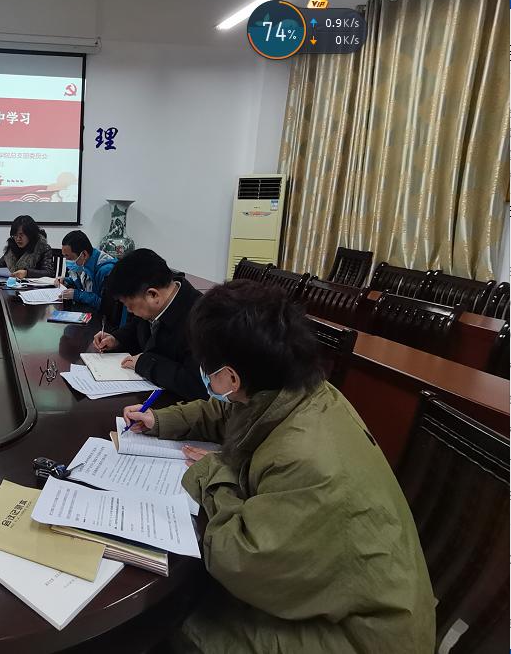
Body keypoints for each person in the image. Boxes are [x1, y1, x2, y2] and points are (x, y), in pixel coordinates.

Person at [122, 280, 435, 653]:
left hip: (360, 636)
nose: (203, 374)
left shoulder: (303, 458)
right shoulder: (295, 388)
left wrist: (214, 474)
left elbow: (238, 560)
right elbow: (231, 412)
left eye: (206, 366)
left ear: (231, 377)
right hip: (349, 595)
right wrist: (161, 420)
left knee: (175, 615)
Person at [93, 248, 206, 402]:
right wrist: (116, 339)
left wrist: (145, 363)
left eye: (129, 305)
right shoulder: (155, 305)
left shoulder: (201, 320)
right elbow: (137, 327)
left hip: (177, 406)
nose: (129, 310)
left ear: (152, 295)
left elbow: (196, 384)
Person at [55, 230, 115, 310]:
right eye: (65, 256)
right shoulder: (84, 262)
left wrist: (77, 295)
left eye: (69, 257)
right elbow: (82, 282)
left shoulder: (106, 270)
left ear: (84, 254)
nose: (67, 261)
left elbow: (106, 306)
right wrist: (65, 281)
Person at [0, 215, 55, 279]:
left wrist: (27, 273)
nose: (18, 239)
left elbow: (49, 272)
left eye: (21, 235)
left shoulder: (42, 247)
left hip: (34, 287)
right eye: (15, 235)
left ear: (30, 234)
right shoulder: (12, 247)